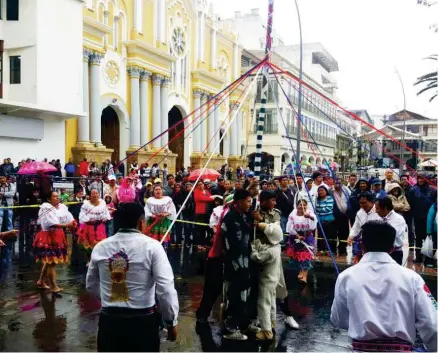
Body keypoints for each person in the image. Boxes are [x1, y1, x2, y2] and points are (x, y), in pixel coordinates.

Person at [331, 220, 437, 352]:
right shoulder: (412, 278)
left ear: (362, 245)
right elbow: (432, 324)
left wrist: (360, 322)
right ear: (392, 248)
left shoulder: (346, 277)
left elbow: (338, 320)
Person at [85, 203, 179, 352]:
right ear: (141, 222)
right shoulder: (153, 247)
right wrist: (171, 321)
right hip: (143, 322)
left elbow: (91, 285)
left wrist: (110, 300)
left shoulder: (100, 247)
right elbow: (165, 289)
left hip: (109, 321)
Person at [253, 190, 300, 330]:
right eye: (272, 200)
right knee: (258, 288)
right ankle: (258, 319)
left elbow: (275, 232)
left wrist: (260, 221)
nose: (274, 203)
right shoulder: (253, 209)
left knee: (280, 285)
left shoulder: (275, 213)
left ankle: (288, 315)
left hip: (272, 253)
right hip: (257, 251)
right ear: (264, 201)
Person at [221, 189, 253, 340]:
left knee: (244, 295)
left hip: (244, 262)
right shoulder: (230, 218)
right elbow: (231, 244)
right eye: (248, 201)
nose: (250, 204)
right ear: (239, 202)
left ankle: (242, 323)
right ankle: (230, 329)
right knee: (234, 295)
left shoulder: (243, 215)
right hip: (235, 263)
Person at [33, 191, 77, 292]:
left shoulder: (62, 207)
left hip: (58, 235)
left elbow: (69, 217)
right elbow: (51, 224)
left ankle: (41, 281)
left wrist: (73, 222)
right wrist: (67, 225)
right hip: (48, 236)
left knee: (49, 262)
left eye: (58, 196)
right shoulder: (46, 208)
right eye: (54, 196)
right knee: (51, 262)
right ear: (49, 199)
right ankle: (53, 286)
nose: (57, 198)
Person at [250, 213, 282, 341]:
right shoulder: (276, 247)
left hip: (267, 281)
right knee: (272, 302)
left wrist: (252, 247)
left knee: (263, 304)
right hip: (274, 280)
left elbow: (257, 257)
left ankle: (266, 331)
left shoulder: (270, 252)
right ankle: (272, 322)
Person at [407, 173, 437, 263]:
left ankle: (429, 256)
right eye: (419, 178)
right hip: (418, 218)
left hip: (430, 219)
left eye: (422, 178)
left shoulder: (433, 190)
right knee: (419, 238)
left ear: (427, 179)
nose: (420, 180)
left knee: (430, 237)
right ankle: (419, 257)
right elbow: (410, 202)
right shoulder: (413, 190)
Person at [286, 199, 318, 284]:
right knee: (298, 255)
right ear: (297, 206)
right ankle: (301, 271)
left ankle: (305, 275)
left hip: (307, 237)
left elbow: (314, 221)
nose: (302, 206)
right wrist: (297, 236)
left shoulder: (309, 213)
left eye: (304, 205)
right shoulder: (293, 215)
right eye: (300, 204)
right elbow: (290, 228)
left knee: (306, 256)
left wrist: (309, 217)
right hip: (296, 236)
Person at [77, 189, 111, 264]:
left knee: (100, 243)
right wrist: (84, 225)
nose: (95, 195)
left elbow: (106, 212)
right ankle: (89, 261)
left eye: (96, 193)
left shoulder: (102, 203)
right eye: (93, 193)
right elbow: (82, 216)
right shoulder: (86, 204)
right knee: (88, 245)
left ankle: (99, 259)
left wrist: (106, 217)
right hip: (89, 226)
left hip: (100, 226)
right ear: (90, 195)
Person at [347, 192, 380, 263]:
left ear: (371, 202)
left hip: (376, 243)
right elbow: (356, 227)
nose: (362, 205)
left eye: (364, 203)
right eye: (360, 203)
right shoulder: (359, 213)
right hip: (363, 244)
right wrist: (350, 236)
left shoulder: (379, 212)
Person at [375, 197, 407, 265]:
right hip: (381, 253)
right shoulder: (378, 218)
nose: (376, 211)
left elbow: (391, 235)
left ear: (385, 208)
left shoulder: (398, 219)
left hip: (394, 254)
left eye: (377, 208)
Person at [144, 184, 176, 252]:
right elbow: (146, 210)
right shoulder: (150, 200)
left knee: (163, 238)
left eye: (159, 189)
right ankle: (153, 252)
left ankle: (163, 252)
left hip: (164, 221)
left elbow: (171, 209)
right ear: (153, 191)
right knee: (153, 238)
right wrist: (152, 215)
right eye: (156, 190)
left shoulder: (167, 199)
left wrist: (166, 214)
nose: (158, 191)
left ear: (162, 191)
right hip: (153, 221)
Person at [315, 186, 336, 253]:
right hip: (320, 220)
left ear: (326, 191)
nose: (321, 192)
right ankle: (321, 250)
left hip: (329, 220)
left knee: (329, 236)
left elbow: (328, 208)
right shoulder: (317, 199)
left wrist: (318, 210)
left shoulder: (330, 198)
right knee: (320, 236)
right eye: (319, 191)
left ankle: (329, 250)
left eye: (322, 190)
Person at [193, 180, 213, 249]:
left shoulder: (206, 191)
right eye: (199, 184)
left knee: (207, 229)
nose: (201, 185)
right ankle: (200, 244)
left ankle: (205, 243)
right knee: (200, 230)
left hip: (208, 212)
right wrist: (209, 198)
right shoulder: (196, 191)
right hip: (200, 213)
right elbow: (201, 198)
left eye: (202, 184)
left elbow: (211, 197)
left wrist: (209, 198)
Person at [332, 180, 350, 255]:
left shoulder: (346, 190)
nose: (337, 185)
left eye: (339, 183)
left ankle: (343, 249)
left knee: (344, 232)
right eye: (336, 183)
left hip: (345, 215)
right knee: (333, 233)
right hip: (334, 215)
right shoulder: (330, 191)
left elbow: (350, 199)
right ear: (333, 183)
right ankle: (333, 250)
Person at [399, 175, 414, 247]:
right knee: (400, 229)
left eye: (405, 179)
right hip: (401, 212)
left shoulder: (412, 189)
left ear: (408, 180)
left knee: (411, 229)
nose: (404, 180)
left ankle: (411, 244)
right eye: (402, 179)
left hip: (410, 212)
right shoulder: (398, 189)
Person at [426, 202, 437, 268]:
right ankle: (429, 261)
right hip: (435, 231)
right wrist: (429, 231)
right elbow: (429, 218)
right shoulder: (435, 206)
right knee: (433, 247)